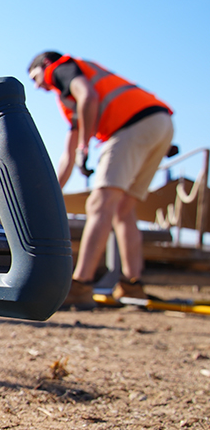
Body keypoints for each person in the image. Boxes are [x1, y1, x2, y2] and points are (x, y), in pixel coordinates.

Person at [28, 51, 173, 309]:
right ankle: (133, 286)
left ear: (45, 65)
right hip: (159, 123)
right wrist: (52, 193)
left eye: (36, 77)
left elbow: (88, 96)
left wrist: (85, 146)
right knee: (123, 209)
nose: (38, 85)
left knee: (99, 204)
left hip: (130, 125)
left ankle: (80, 284)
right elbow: (67, 156)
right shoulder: (69, 101)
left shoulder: (61, 70)